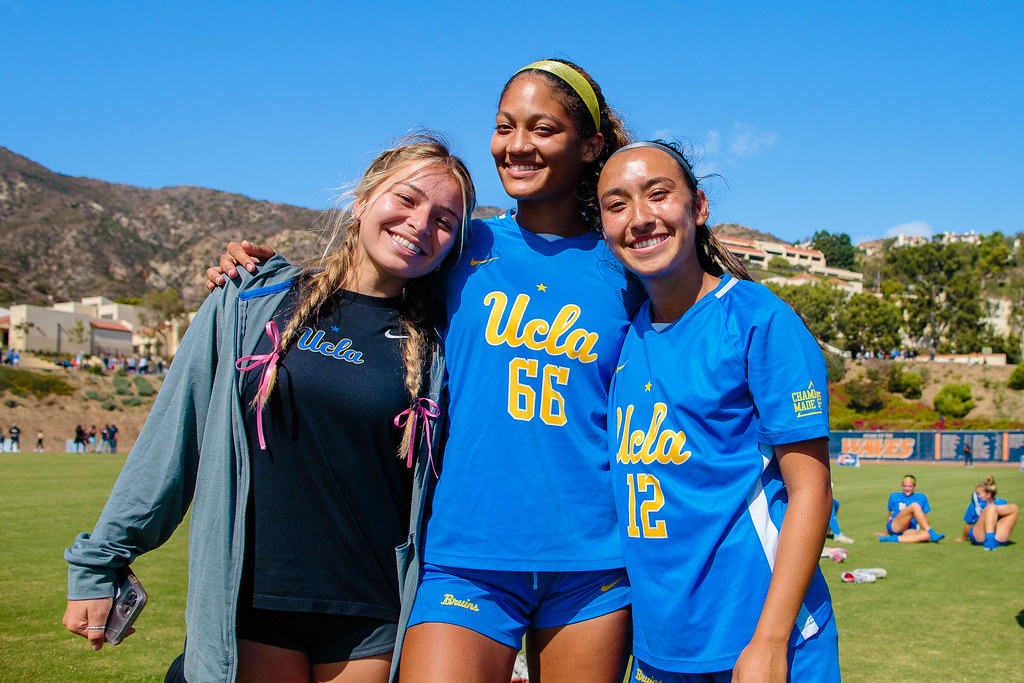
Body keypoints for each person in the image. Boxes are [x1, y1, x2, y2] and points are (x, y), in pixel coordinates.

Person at [207, 59, 640, 683]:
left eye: (542, 129)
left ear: (591, 145)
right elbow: (371, 271)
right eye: (504, 126)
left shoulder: (625, 266)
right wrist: (272, 275)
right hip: (465, 556)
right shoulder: (464, 246)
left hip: (593, 561)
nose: (518, 145)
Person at [62, 134, 476, 683]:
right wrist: (101, 563)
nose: (421, 224)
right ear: (362, 200)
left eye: (445, 221)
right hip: (255, 603)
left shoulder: (445, 343)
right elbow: (172, 440)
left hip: (371, 615)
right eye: (406, 199)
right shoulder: (250, 302)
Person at [597, 140, 838, 682]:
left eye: (658, 194)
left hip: (763, 643)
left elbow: (812, 491)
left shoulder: (757, 319)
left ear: (698, 207)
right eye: (616, 205)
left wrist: (771, 642)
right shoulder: (623, 336)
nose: (640, 218)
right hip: (660, 651)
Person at [877, 474, 944, 543]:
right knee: (914, 505)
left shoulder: (921, 497)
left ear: (915, 486)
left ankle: (889, 539)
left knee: (926, 535)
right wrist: (885, 532)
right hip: (895, 526)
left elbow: (925, 517)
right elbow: (889, 515)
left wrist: (924, 530)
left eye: (910, 486)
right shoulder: (894, 496)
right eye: (904, 486)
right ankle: (931, 532)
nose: (907, 489)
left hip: (909, 529)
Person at [956, 476, 1018, 550]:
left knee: (1014, 507)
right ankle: (990, 541)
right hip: (979, 536)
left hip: (997, 536)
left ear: (988, 495)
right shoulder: (976, 504)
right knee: (991, 508)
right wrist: (963, 538)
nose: (976, 496)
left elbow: (1004, 522)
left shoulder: (1001, 502)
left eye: (979, 494)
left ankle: (992, 540)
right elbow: (969, 523)